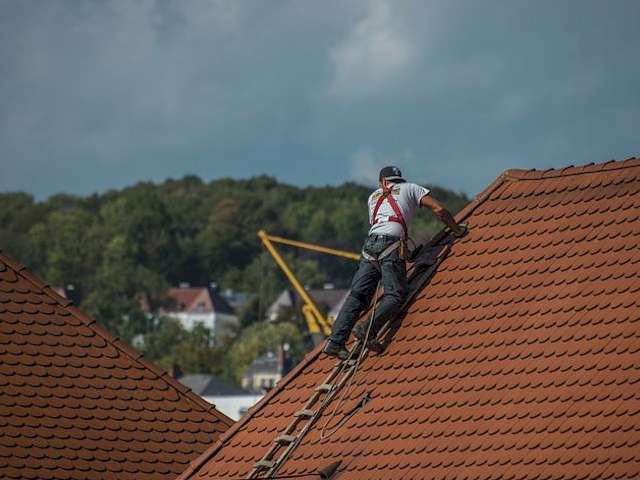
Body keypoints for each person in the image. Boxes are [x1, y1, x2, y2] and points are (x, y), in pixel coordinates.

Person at [323, 166, 467, 360]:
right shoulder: (411, 188)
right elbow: (439, 209)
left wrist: (405, 254)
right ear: (399, 179)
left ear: (383, 182)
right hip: (391, 244)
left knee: (357, 296)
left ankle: (335, 342)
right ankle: (367, 329)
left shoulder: (373, 197)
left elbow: (383, 224)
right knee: (395, 295)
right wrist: (456, 230)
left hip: (369, 247)